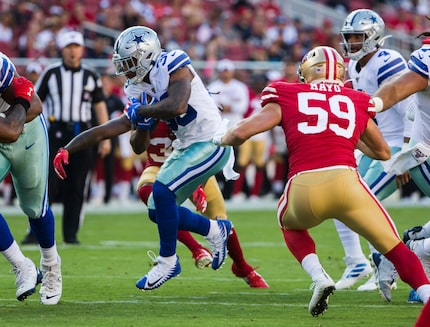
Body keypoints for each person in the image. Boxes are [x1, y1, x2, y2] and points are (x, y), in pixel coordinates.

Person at [213, 45, 430, 318]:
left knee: (287, 222)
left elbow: (242, 131)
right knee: (396, 248)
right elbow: (383, 152)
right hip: (349, 184)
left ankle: (319, 276)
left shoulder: (286, 92)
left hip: (305, 186)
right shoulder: (355, 98)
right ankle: (427, 296)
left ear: (306, 72)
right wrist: (347, 136)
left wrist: (220, 138)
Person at [55, 26, 234, 290]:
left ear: (146, 55)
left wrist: (145, 111)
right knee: (156, 209)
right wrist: (69, 148)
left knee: (161, 192)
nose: (124, 70)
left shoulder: (173, 63)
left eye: (128, 63)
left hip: (211, 140)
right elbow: (124, 135)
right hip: (187, 146)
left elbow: (177, 105)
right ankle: (214, 231)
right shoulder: (137, 87)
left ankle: (168, 261)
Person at [54, 117, 269, 288]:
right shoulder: (146, 105)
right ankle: (195, 249)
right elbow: (116, 137)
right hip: (158, 167)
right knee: (152, 197)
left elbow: (204, 148)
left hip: (196, 169)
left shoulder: (186, 106)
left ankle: (242, 267)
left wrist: (198, 186)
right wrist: (142, 127)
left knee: (221, 218)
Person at [333, 9, 414, 299]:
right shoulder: (355, 66)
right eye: (349, 37)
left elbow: (410, 108)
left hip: (396, 144)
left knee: (361, 202)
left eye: (357, 36)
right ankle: (358, 263)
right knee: (338, 198)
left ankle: (388, 261)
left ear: (374, 36)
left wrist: (405, 153)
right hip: (377, 144)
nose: (352, 42)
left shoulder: (387, 60)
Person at [22, 30, 111, 245]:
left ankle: (70, 235)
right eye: (69, 47)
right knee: (45, 184)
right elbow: (35, 102)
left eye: (76, 47)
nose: (73, 51)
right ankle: (36, 232)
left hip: (83, 134)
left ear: (81, 49)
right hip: (55, 133)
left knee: (77, 186)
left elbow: (99, 104)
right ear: (62, 49)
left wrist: (106, 138)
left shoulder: (91, 76)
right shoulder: (51, 73)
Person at [0, 52, 62, 304]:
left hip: (28, 135)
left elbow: (34, 105)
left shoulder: (3, 69)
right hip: (8, 130)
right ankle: (22, 265)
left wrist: (23, 100)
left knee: (35, 208)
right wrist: (22, 100)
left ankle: (50, 265)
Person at [207, 59, 249, 200]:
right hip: (217, 129)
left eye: (227, 71)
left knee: (235, 161)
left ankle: (230, 193)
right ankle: (221, 189)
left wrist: (225, 107)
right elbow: (211, 107)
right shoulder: (213, 86)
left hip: (235, 128)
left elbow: (242, 107)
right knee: (216, 160)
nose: (225, 74)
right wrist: (229, 106)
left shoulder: (239, 87)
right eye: (223, 71)